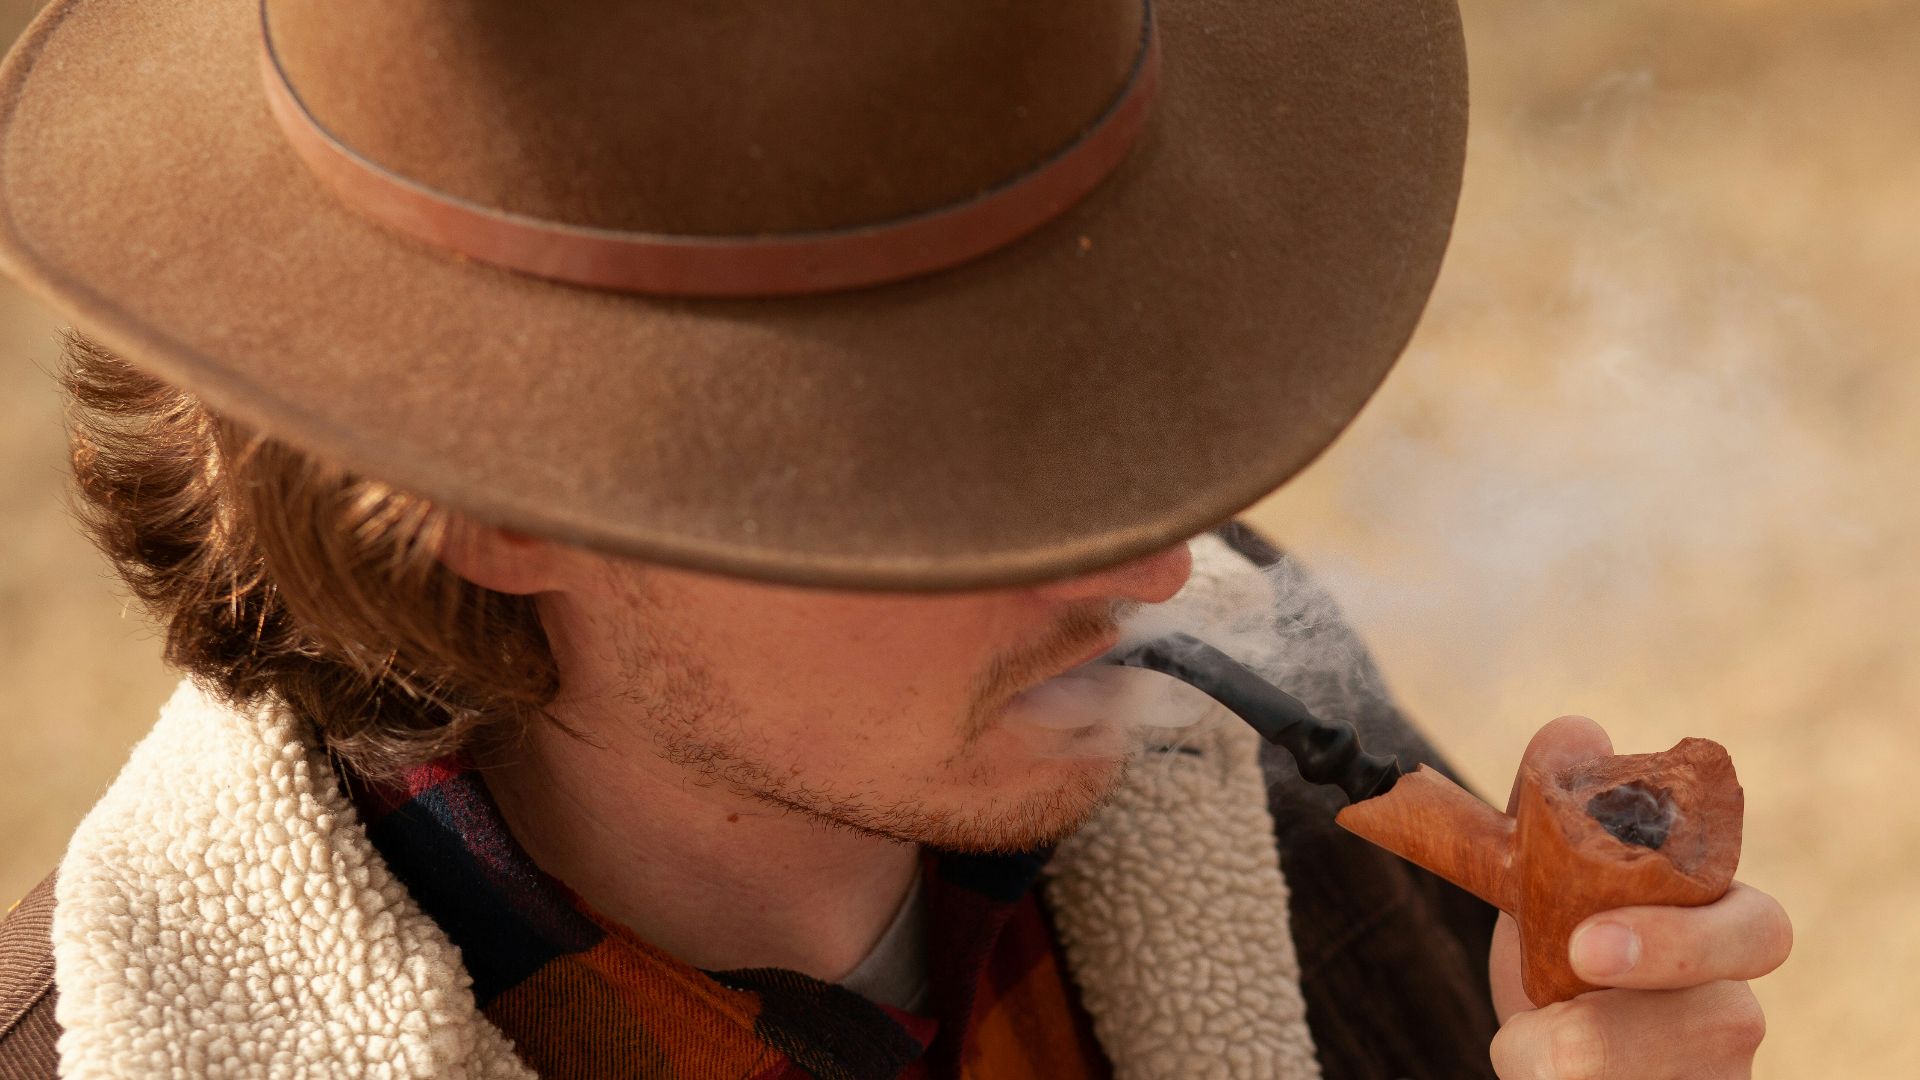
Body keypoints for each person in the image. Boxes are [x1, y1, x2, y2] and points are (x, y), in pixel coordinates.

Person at [0, 1, 1787, 1077]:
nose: (1161, 564)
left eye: (1112, 393)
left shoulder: (1250, 752)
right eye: (957, 476)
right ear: (489, 494)